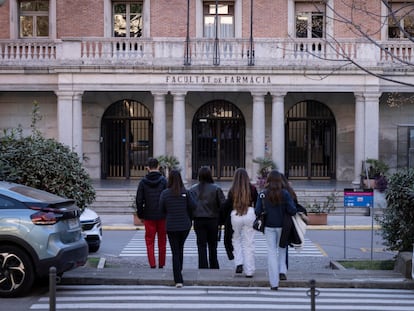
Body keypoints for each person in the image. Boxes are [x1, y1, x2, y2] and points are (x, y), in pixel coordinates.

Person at [255, 170, 297, 290]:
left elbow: (257, 211)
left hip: (269, 226)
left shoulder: (263, 194)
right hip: (283, 226)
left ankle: (274, 283)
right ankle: (282, 270)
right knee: (282, 249)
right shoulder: (284, 193)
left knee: (271, 253)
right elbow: (292, 210)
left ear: (268, 180)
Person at [159, 169, 196, 288]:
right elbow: (193, 206)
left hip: (171, 225)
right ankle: (179, 269)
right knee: (180, 248)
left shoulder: (165, 193)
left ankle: (178, 279)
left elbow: (161, 209)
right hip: (184, 225)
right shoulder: (185, 192)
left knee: (175, 251)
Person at [222, 168, 258, 277]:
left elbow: (227, 204)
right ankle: (249, 270)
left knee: (235, 239)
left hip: (236, 214)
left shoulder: (233, 189)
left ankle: (238, 263)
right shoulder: (252, 188)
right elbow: (257, 202)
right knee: (249, 243)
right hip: (249, 213)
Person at [189, 166, 225, 269]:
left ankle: (203, 266)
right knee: (213, 245)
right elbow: (222, 205)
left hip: (198, 220)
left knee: (201, 245)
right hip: (212, 219)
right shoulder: (216, 188)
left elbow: (190, 205)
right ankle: (214, 266)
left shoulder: (193, 189)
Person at [135, 157, 167, 269]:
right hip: (162, 215)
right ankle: (162, 263)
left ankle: (152, 263)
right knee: (162, 241)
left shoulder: (143, 182)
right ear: (158, 167)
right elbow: (167, 197)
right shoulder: (164, 181)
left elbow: (139, 200)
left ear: (147, 168)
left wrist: (141, 214)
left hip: (149, 215)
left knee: (149, 241)